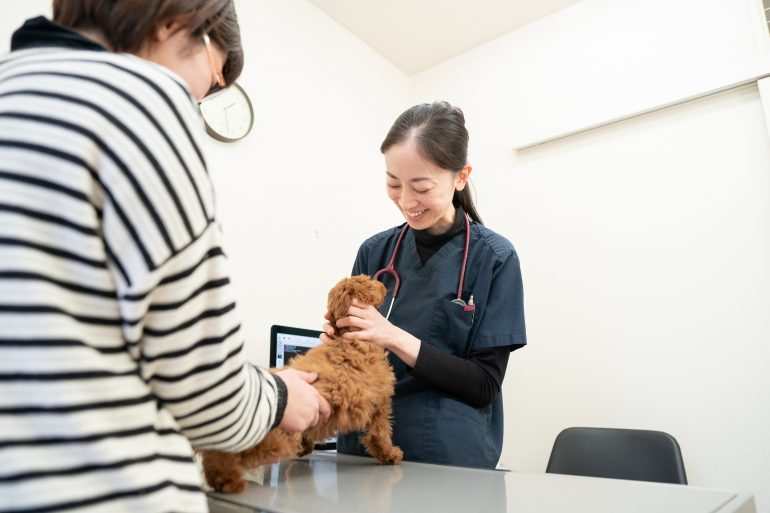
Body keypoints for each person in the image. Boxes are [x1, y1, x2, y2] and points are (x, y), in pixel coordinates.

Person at [0, 2, 329, 511]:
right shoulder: (144, 98)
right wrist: (281, 396)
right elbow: (205, 396)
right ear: (175, 20)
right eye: (216, 76)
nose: (201, 96)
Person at [325, 101, 526, 468]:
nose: (405, 201)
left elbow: (483, 384)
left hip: (446, 453)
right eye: (393, 184)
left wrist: (392, 336)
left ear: (461, 176)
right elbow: (357, 352)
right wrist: (338, 345)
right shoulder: (375, 252)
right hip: (364, 448)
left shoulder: (495, 258)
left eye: (420, 186)